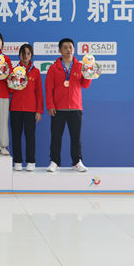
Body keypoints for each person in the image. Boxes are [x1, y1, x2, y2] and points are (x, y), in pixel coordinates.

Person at [45, 38, 91, 172]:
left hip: (75, 107)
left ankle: (77, 162)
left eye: (70, 47)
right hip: (58, 108)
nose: (68, 50)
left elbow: (85, 85)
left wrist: (89, 75)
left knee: (76, 138)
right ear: (60, 50)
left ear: (74, 50)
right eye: (65, 47)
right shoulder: (53, 68)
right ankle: (54, 162)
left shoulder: (80, 66)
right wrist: (50, 105)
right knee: (56, 137)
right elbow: (49, 88)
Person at [9, 44, 43, 171]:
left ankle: (31, 161)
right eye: (23, 53)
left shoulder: (36, 71)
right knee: (16, 136)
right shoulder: (13, 70)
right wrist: (14, 81)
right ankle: (17, 161)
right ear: (19, 55)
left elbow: (39, 92)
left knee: (30, 137)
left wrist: (39, 110)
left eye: (28, 53)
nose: (25, 56)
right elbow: (10, 91)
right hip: (16, 108)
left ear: (31, 55)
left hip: (30, 109)